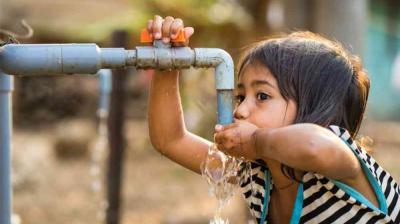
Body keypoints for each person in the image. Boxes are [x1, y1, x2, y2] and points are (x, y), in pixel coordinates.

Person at [147, 15, 400, 223]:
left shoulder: (341, 165)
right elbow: (170, 140)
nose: (241, 111)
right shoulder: (258, 173)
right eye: (240, 96)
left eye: (262, 96)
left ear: (316, 110)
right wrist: (167, 66)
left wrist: (256, 140)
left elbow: (313, 145)